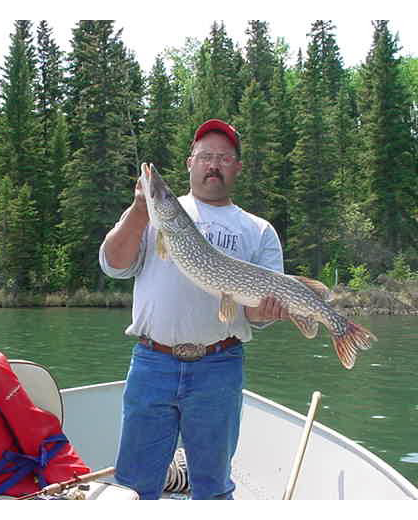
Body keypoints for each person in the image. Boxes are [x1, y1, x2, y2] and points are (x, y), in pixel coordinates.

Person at [99, 119, 289, 499]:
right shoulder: (154, 215)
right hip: (153, 363)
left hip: (219, 366)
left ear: (237, 167)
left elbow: (254, 315)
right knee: (134, 483)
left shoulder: (258, 230)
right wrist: (140, 211)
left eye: (224, 157)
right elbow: (114, 264)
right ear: (190, 163)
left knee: (212, 486)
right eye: (205, 156)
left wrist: (268, 310)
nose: (213, 164)